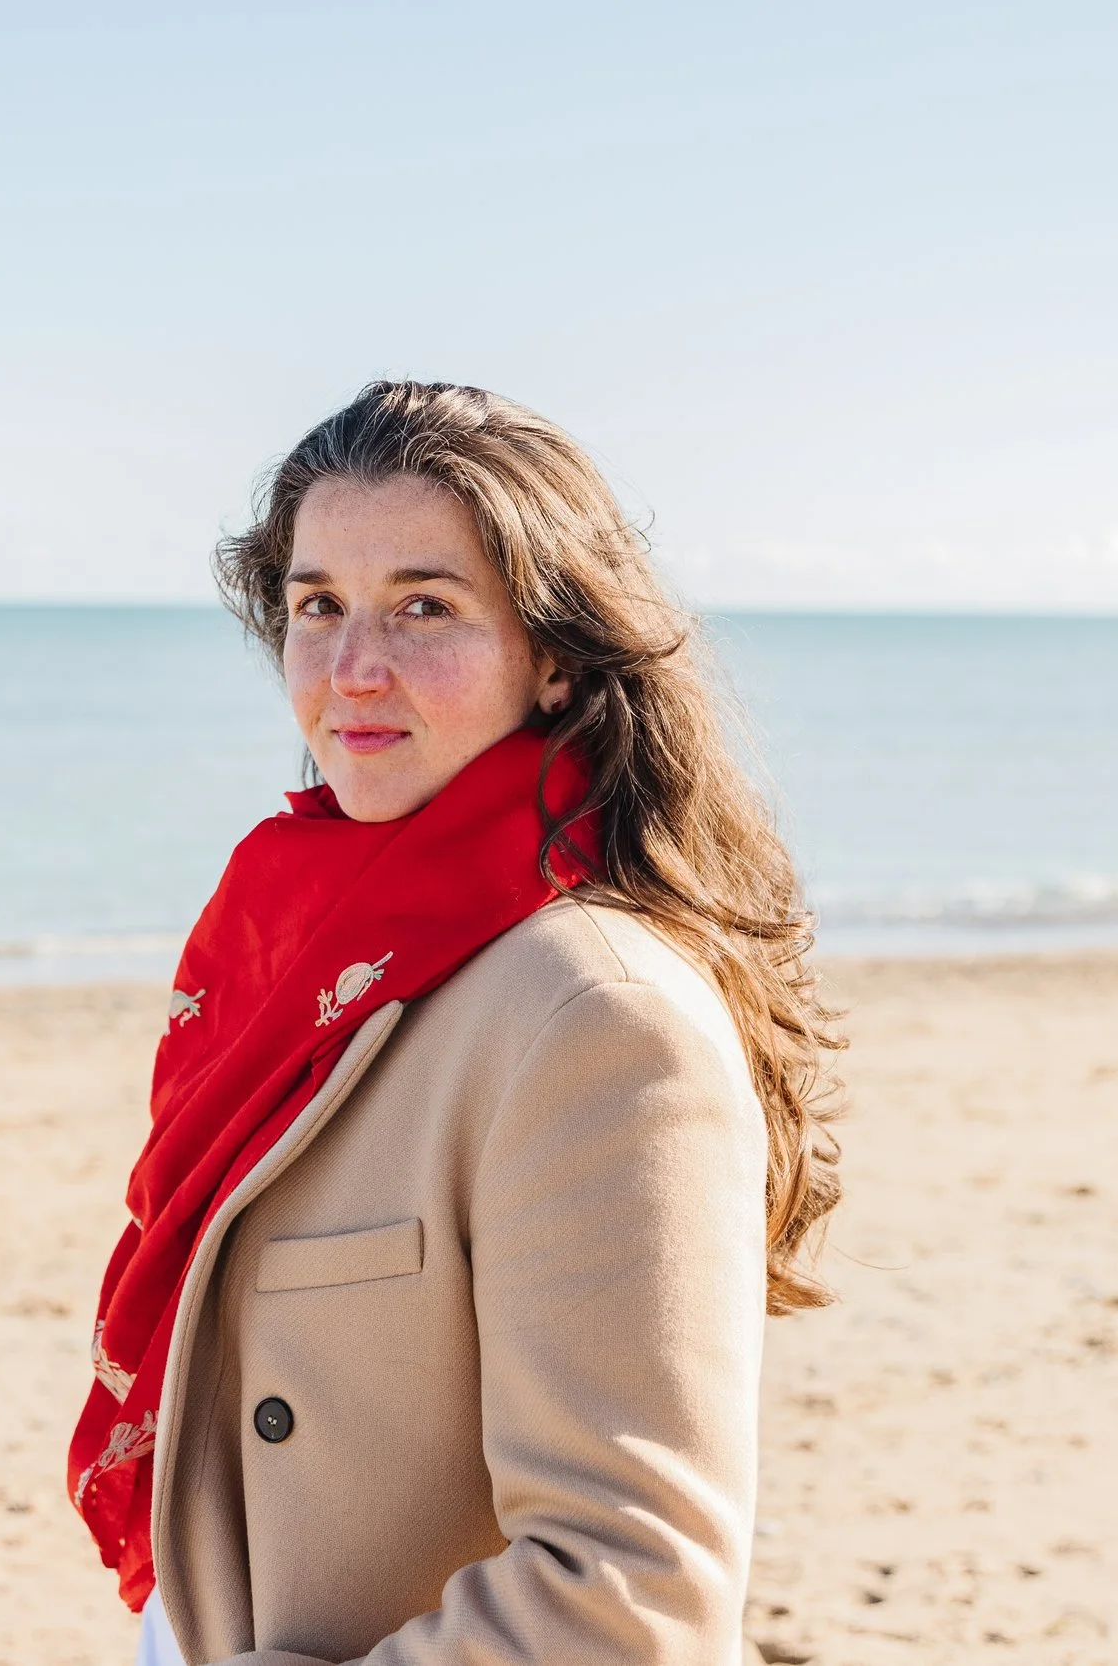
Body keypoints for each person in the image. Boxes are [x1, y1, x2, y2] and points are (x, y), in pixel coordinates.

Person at [70, 380, 844, 1665]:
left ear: (552, 654)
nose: (352, 668)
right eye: (318, 604)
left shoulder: (597, 1016)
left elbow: (627, 1586)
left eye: (424, 605)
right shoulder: (312, 953)